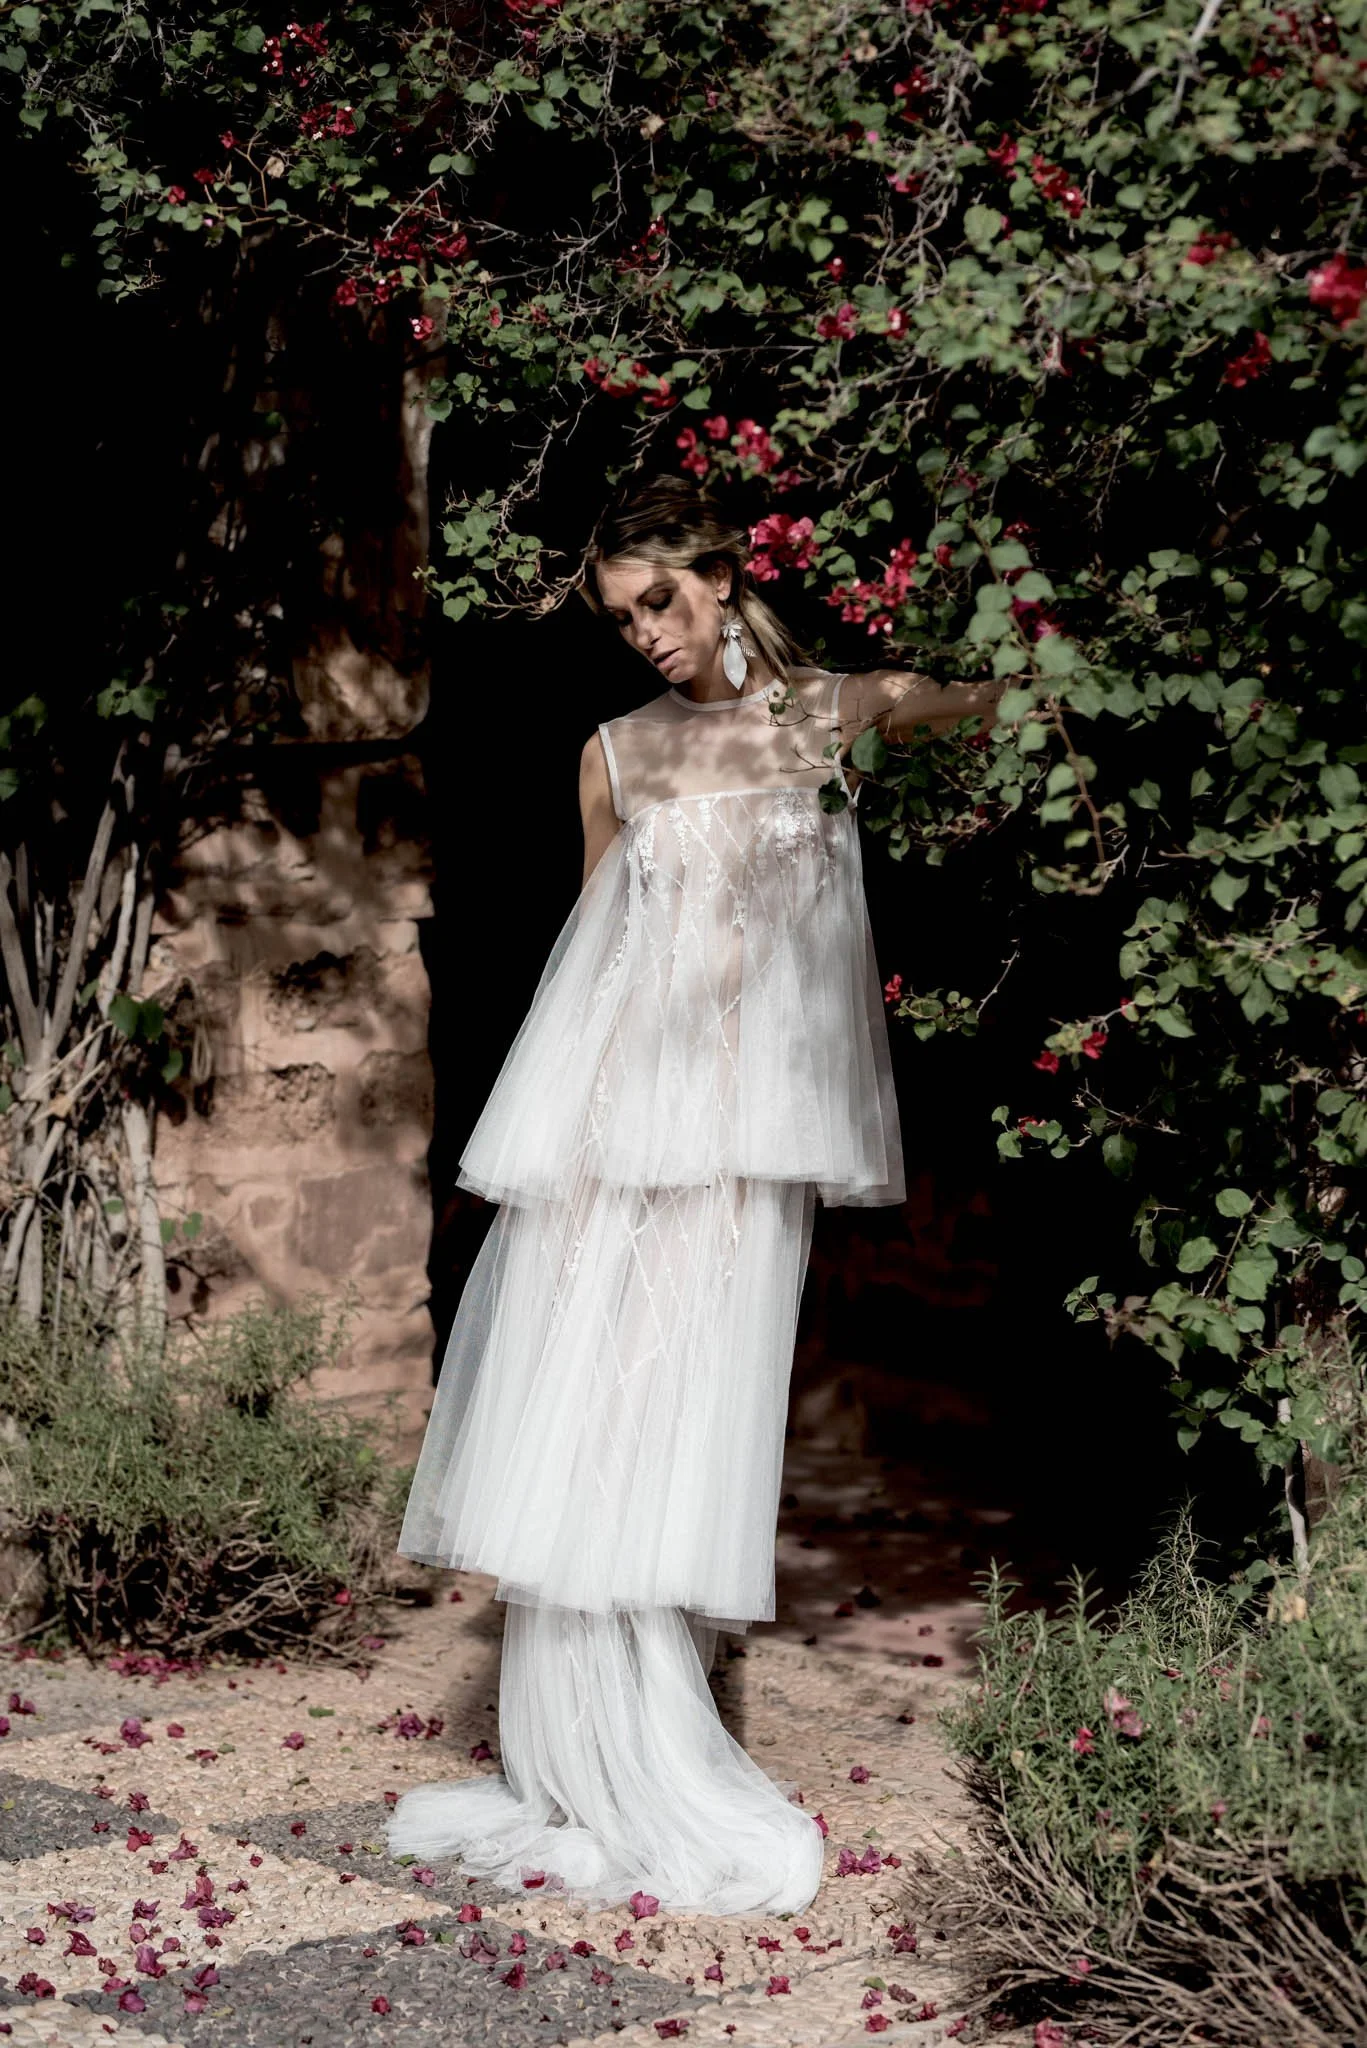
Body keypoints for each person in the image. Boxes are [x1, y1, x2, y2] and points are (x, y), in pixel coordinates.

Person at [385, 474, 1004, 1916]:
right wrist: (561, 1165)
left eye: (659, 599)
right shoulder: (613, 757)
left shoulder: (828, 717)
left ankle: (658, 1730)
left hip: (746, 1156)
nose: (645, 636)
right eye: (620, 618)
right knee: (601, 1422)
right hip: (620, 1143)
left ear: (725, 574)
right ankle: (596, 1758)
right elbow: (587, 972)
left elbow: (1011, 697)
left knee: (689, 1435)